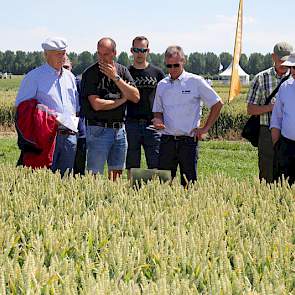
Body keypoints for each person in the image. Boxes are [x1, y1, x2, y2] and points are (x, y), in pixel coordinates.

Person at [152, 45, 223, 186]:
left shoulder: (195, 81)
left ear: (183, 61)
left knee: (189, 184)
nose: (172, 69)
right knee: (163, 185)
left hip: (188, 141)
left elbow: (217, 104)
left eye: (176, 65)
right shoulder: (162, 85)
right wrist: (158, 119)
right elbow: (157, 111)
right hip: (167, 141)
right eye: (169, 65)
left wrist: (205, 128)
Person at [15, 37, 79, 176]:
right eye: (57, 54)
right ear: (46, 55)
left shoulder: (70, 77)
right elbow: (22, 108)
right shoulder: (34, 77)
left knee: (66, 181)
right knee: (44, 178)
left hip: (69, 137)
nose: (62, 57)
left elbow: (76, 105)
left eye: (63, 53)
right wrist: (46, 117)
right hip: (47, 137)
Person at [81, 37, 140, 180]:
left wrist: (116, 78)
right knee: (94, 175)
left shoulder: (122, 71)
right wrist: (121, 100)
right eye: (99, 54)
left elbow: (135, 97)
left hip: (119, 130)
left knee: (116, 173)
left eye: (105, 54)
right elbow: (96, 104)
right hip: (98, 129)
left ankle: (112, 199)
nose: (101, 58)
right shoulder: (90, 73)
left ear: (114, 53)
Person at [246, 41, 293, 183]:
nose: (284, 65)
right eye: (280, 60)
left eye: (287, 61)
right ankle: (268, 198)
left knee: (287, 170)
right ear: (273, 57)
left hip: (288, 134)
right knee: (267, 169)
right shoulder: (261, 78)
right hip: (266, 131)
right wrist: (272, 107)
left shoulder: (293, 77)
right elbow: (250, 109)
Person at [126, 36, 165, 175]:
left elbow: (165, 98)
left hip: (152, 124)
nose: (140, 53)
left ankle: (157, 193)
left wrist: (162, 119)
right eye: (137, 50)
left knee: (156, 163)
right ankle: (133, 192)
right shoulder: (126, 72)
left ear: (148, 51)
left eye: (143, 50)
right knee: (132, 163)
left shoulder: (157, 73)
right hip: (131, 124)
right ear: (131, 51)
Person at [270, 52, 295, 185]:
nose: (292, 71)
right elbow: (277, 118)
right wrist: (276, 145)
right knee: (283, 186)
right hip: (286, 146)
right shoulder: (285, 87)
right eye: (291, 67)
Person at [63, 56, 87, 175]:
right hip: (62, 135)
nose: (65, 71)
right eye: (63, 68)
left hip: (80, 133)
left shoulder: (78, 83)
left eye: (67, 67)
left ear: (72, 66)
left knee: (78, 170)